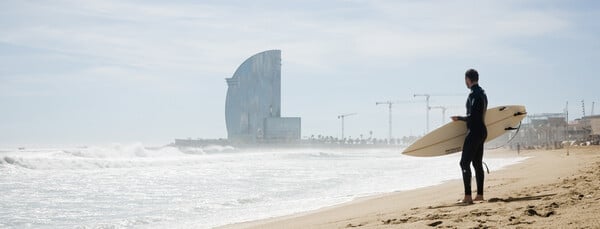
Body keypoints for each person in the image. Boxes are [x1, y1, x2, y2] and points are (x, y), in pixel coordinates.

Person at [451, 69, 488, 204]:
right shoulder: (483, 94)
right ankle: (480, 195)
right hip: (482, 131)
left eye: (465, 80)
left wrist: (459, 118)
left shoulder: (473, 95)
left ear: (468, 79)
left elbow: (473, 117)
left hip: (474, 132)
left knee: (464, 163)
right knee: (477, 163)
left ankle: (467, 197)